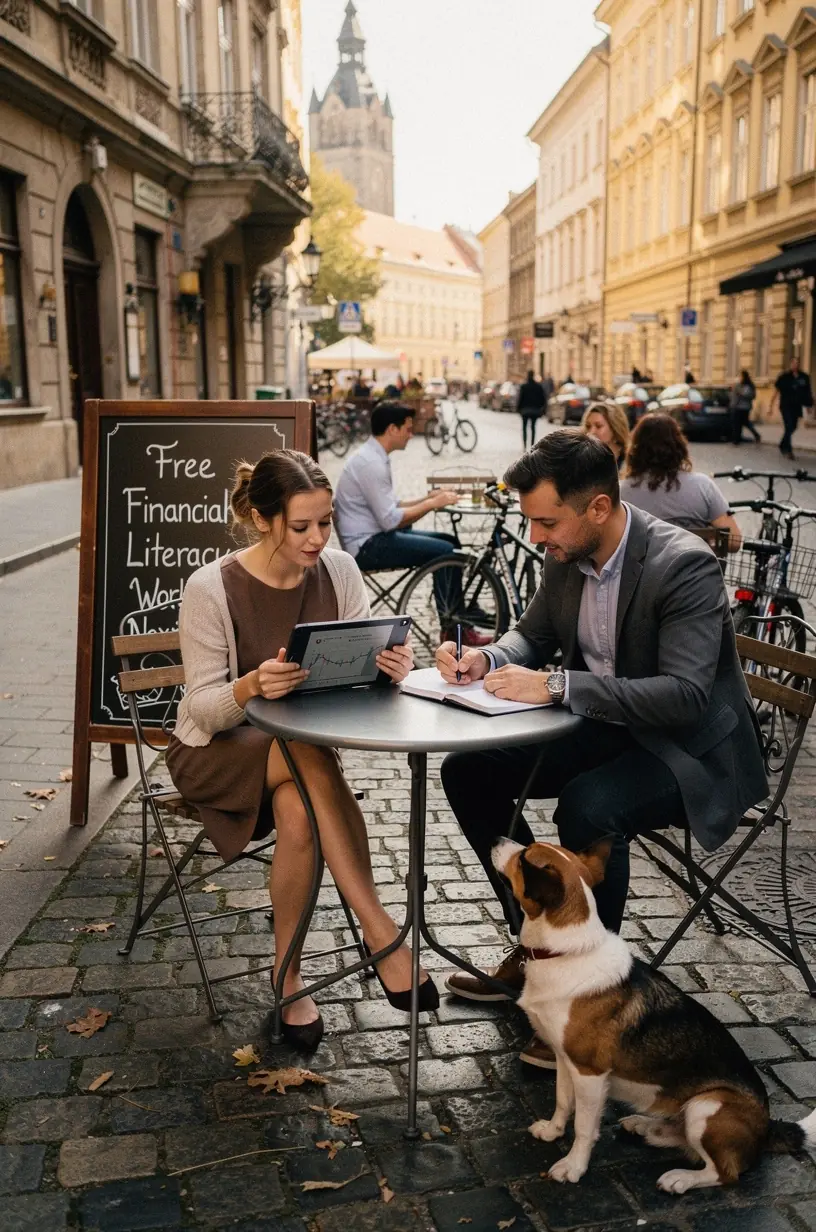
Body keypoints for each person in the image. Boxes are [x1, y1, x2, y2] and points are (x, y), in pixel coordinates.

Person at [436, 430, 767, 1067]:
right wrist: (483, 658)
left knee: (589, 807)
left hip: (687, 750)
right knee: (468, 770)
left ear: (596, 508)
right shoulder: (566, 551)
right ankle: (539, 947)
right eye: (531, 521)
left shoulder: (683, 563)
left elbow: (686, 696)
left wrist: (559, 684)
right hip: (609, 727)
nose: (537, 537)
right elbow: (531, 637)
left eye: (546, 521)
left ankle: (593, 997)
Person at [166, 450, 439, 1052]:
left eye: (326, 521)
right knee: (303, 753)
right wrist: (252, 685)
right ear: (264, 520)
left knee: (298, 811)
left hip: (298, 759)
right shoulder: (211, 587)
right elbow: (204, 709)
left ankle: (286, 975)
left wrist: (391, 668)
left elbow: (361, 668)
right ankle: (380, 932)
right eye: (302, 526)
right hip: (216, 753)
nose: (319, 538)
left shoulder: (339, 570)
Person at [333, 402, 491, 644]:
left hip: (372, 538)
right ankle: (452, 626)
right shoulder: (370, 464)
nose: (411, 434)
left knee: (450, 541)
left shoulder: (373, 457)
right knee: (447, 551)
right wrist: (432, 505)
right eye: (407, 429)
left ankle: (456, 617)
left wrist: (428, 497)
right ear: (392, 429)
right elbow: (390, 520)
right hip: (367, 546)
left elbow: (392, 505)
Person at [621, 413, 742, 550]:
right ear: (679, 446)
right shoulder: (703, 486)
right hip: (695, 570)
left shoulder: (621, 492)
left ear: (635, 449)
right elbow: (734, 541)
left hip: (643, 571)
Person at [771, 356, 814, 460]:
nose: (795, 365)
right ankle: (788, 450)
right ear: (790, 364)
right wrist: (770, 406)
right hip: (786, 406)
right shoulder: (784, 377)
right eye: (794, 363)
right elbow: (776, 391)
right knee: (789, 426)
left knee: (793, 427)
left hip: (797, 406)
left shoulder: (804, 377)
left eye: (797, 363)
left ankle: (782, 444)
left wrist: (809, 406)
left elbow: (807, 392)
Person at [581, 401, 630, 470]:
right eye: (588, 426)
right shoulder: (581, 459)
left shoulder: (630, 461)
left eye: (599, 426)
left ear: (614, 428)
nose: (591, 432)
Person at [516, 369, 547, 448]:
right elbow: (543, 399)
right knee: (533, 428)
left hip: (525, 410)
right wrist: (541, 409)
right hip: (535, 410)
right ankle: (532, 445)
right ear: (533, 375)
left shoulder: (524, 386)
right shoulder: (538, 386)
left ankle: (525, 445)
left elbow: (520, 398)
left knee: (524, 428)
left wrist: (518, 408)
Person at [730, 370, 761, 445]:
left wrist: (737, 390)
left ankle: (737, 440)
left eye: (740, 376)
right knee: (741, 423)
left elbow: (749, 395)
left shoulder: (747, 386)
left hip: (742, 407)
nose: (739, 378)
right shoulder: (741, 385)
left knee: (740, 423)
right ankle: (737, 439)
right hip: (740, 407)